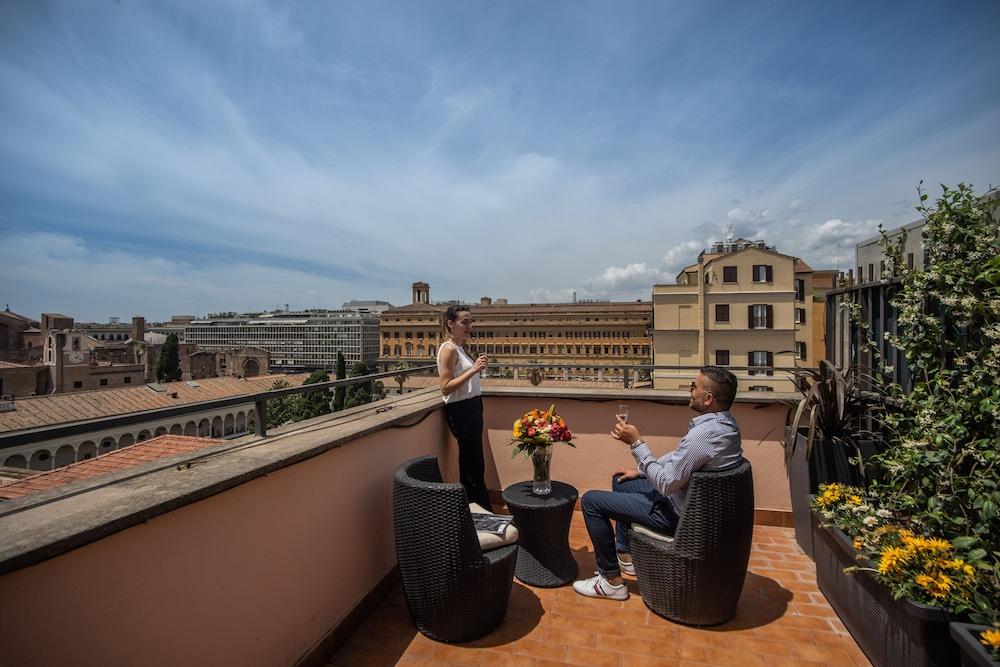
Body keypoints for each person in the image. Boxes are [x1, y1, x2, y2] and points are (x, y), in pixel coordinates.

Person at [573, 365, 743, 600]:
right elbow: (679, 459)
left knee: (591, 501)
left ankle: (610, 581)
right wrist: (640, 471)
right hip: (687, 502)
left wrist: (636, 444)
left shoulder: (705, 435)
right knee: (621, 481)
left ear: (708, 398)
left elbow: (665, 484)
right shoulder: (725, 426)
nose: (690, 391)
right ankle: (626, 554)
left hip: (675, 515)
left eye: (694, 387)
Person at [437, 304, 493, 510]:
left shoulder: (460, 348)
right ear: (450, 324)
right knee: (473, 466)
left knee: (474, 464)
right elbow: (445, 387)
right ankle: (481, 513)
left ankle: (474, 511)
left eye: (471, 321)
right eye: (465, 322)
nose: (470, 326)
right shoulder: (449, 349)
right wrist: (474, 369)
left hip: (471, 408)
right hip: (461, 411)